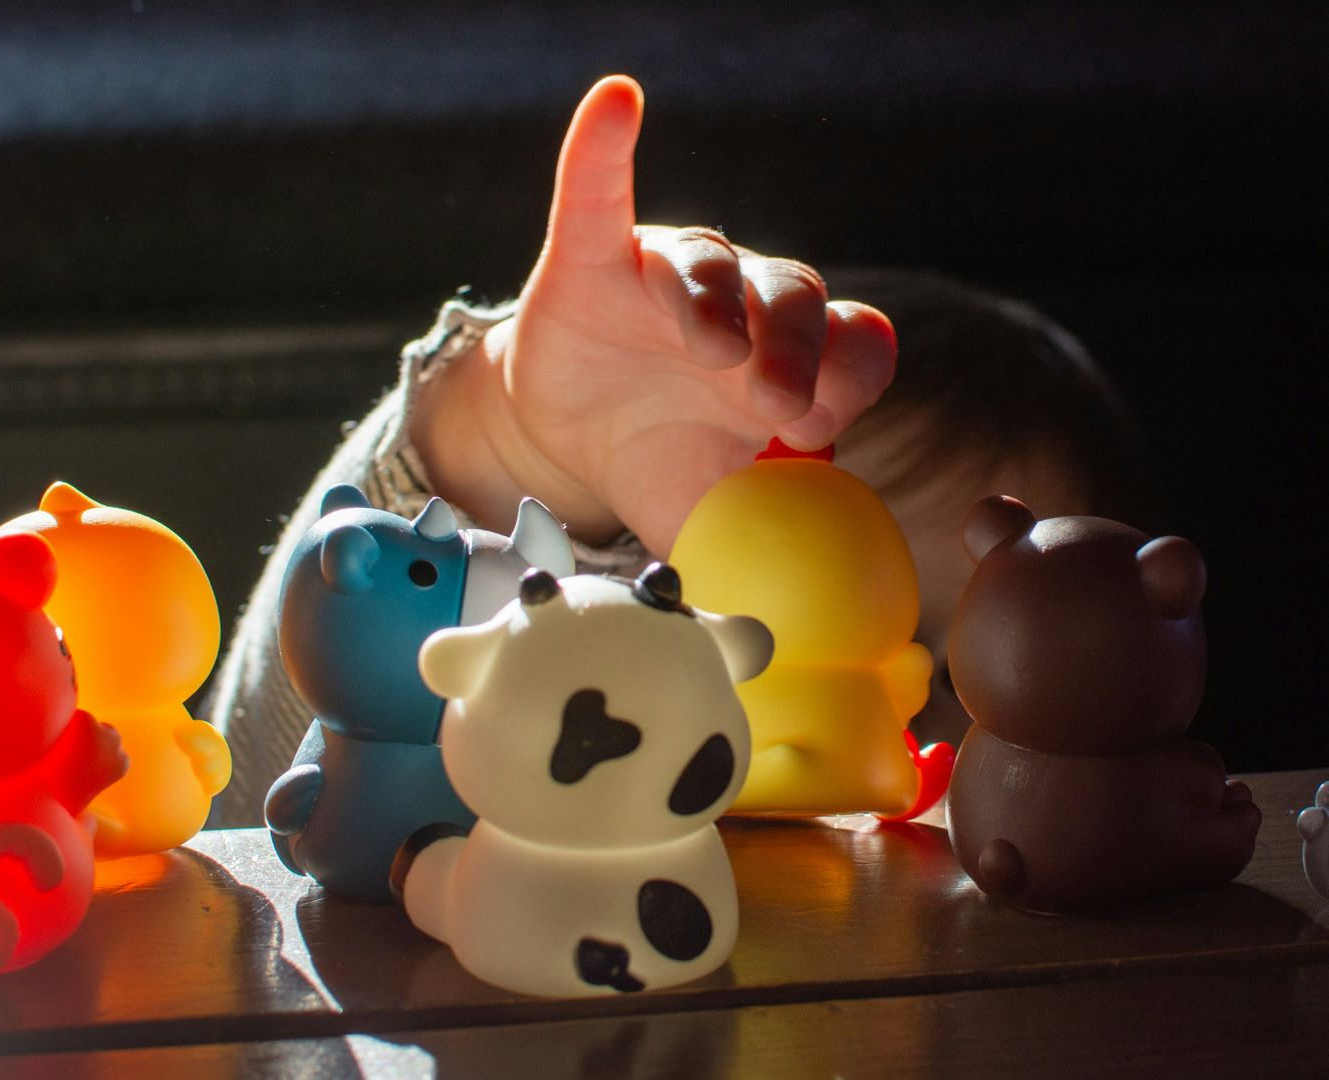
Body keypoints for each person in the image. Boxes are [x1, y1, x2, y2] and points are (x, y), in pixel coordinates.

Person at [205, 76, 1151, 826]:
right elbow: (272, 795)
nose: (906, 720)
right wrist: (510, 441)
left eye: (971, 683)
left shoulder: (1029, 892)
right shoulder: (560, 782)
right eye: (806, 633)